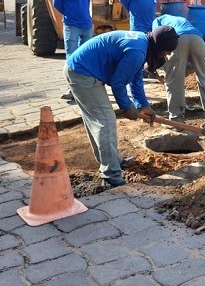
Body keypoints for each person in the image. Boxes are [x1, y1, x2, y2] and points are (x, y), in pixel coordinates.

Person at [64, 26, 179, 188]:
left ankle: (112, 162)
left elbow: (135, 77)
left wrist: (143, 105)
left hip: (84, 70)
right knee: (106, 121)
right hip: (82, 73)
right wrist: (127, 107)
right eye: (165, 52)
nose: (164, 56)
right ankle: (111, 176)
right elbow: (118, 83)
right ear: (160, 47)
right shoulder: (137, 52)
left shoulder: (143, 43)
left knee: (99, 121)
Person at [152, 14, 205, 125]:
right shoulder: (177, 19)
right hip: (198, 40)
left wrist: (158, 66)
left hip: (178, 40)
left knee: (174, 80)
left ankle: (176, 119)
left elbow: (158, 41)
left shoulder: (157, 21)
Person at [53, 0, 94, 100]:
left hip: (86, 24)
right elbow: (56, 3)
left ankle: (86, 86)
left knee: (86, 55)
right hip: (71, 25)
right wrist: (70, 14)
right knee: (71, 56)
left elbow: (87, 0)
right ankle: (72, 89)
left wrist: (85, 15)